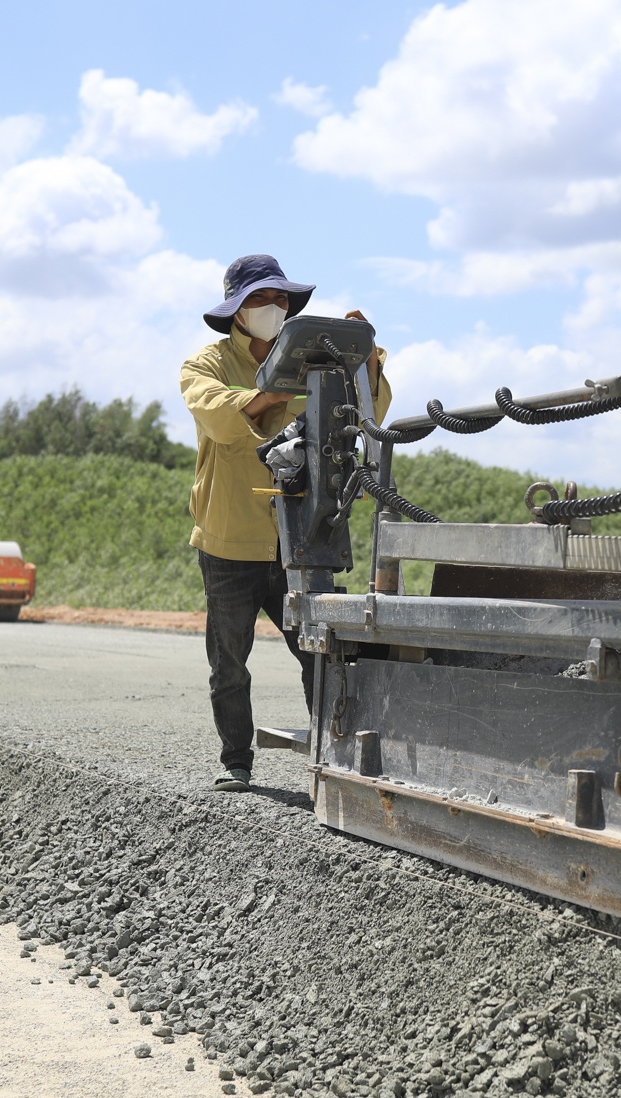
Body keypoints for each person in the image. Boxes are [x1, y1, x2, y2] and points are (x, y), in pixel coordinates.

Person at [179, 254, 390, 792]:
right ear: (236, 312)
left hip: (301, 531)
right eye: (259, 300)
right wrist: (281, 387)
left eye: (280, 300)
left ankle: (329, 756)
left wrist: (361, 357)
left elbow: (367, 413)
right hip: (231, 537)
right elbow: (221, 416)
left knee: (317, 650)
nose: (273, 308)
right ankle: (237, 761)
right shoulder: (205, 364)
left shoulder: (313, 357)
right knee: (230, 659)